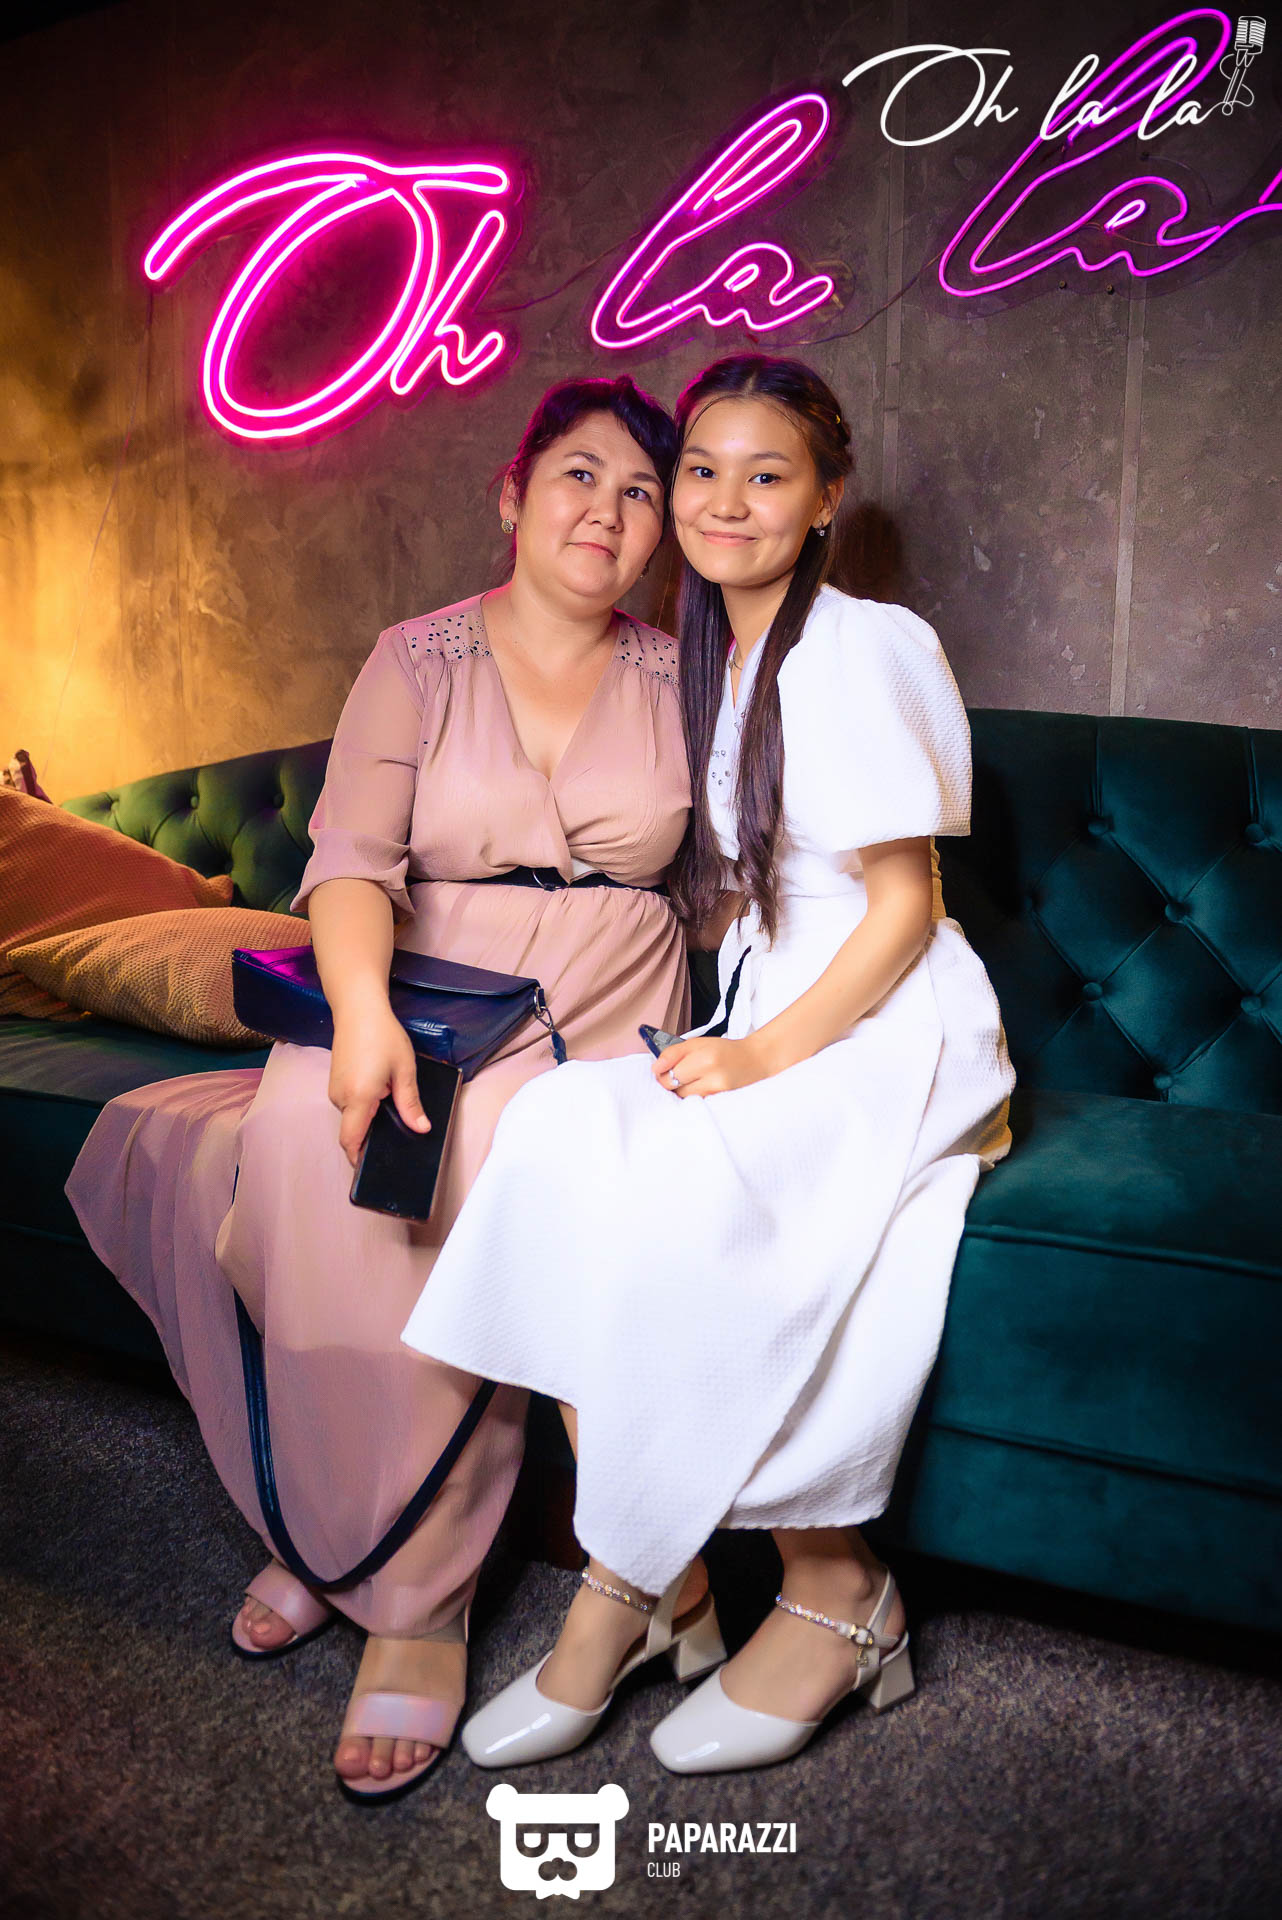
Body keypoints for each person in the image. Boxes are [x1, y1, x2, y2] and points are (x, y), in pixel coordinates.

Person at [66, 375, 690, 1802]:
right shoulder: (415, 658)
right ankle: (331, 1526)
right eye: (579, 475)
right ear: (512, 493)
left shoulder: (688, 678)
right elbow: (351, 863)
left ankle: (414, 1599)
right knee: (307, 1129)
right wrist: (357, 1018)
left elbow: (765, 865)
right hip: (419, 979)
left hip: (603, 992)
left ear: (664, 532)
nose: (606, 511)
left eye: (641, 492)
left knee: (489, 1152)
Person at [401, 353, 1015, 1774]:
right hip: (767, 1001)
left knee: (690, 1176)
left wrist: (761, 1056)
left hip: (888, 1022)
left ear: (826, 499)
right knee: (556, 1128)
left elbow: (902, 908)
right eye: (701, 471)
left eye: (767, 475)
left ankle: (823, 1591)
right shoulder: (705, 657)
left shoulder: (862, 642)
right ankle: (657, 1579)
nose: (725, 501)